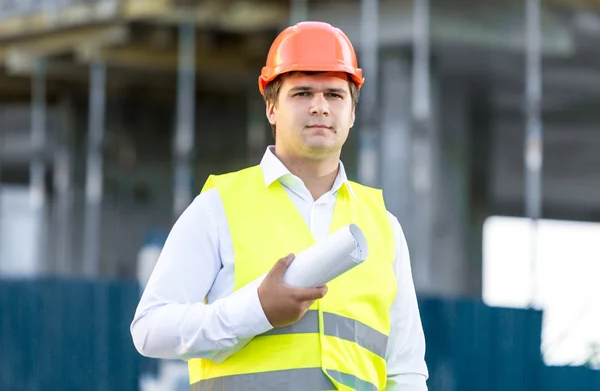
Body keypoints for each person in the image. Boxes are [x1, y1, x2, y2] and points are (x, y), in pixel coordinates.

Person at [131, 21, 429, 391]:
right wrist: (256, 309)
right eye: (302, 93)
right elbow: (149, 329)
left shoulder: (383, 227)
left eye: (335, 95)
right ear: (271, 107)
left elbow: (405, 370)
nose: (320, 107)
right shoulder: (218, 207)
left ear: (352, 114)